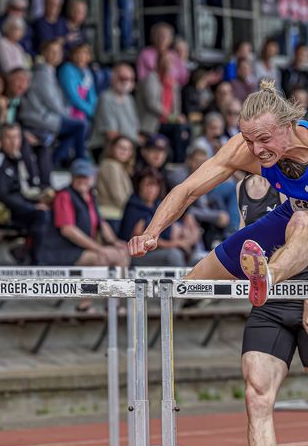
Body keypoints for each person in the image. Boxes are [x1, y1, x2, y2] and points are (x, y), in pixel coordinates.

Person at [128, 79, 308, 307]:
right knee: (191, 283)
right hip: (292, 210)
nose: (257, 150)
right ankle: (262, 279)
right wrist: (151, 233)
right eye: (249, 141)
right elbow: (187, 190)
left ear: (288, 125)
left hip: (302, 221)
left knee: (302, 222)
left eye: (264, 139)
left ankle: (267, 276)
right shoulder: (243, 150)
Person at [234, 173, 294, 446]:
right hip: (270, 301)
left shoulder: (296, 177)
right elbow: (245, 240)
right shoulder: (242, 188)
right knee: (256, 396)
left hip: (305, 290)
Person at [41, 158, 129, 279]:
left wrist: (114, 241)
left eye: (86, 177)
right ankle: (97, 297)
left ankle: (113, 297)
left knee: (122, 252)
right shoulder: (64, 195)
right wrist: (98, 248)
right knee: (103, 258)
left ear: (92, 178)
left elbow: (102, 223)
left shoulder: (90, 196)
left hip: (79, 250)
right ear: (72, 177)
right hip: (61, 251)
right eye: (79, 176)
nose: (82, 180)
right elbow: (68, 230)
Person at [0, 123, 48, 263]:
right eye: (9, 138)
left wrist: (37, 202)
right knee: (40, 215)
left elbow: (23, 190)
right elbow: (3, 196)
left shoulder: (18, 160)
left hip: (14, 209)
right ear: (0, 140)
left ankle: (26, 250)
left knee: (49, 211)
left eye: (16, 137)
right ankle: (37, 262)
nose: (13, 142)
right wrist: (32, 207)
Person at [121, 166, 199, 266]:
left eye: (155, 185)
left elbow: (174, 228)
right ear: (139, 186)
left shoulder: (158, 205)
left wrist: (186, 238)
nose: (151, 189)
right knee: (174, 255)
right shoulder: (134, 206)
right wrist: (175, 244)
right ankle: (181, 282)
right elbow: (138, 238)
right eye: (147, 185)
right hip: (137, 256)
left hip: (163, 250)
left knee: (197, 258)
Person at [91, 63, 139, 159]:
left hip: (128, 145)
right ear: (113, 78)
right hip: (106, 146)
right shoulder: (106, 98)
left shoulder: (129, 99)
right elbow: (111, 133)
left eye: (130, 79)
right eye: (122, 78)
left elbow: (135, 127)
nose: (126, 82)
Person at [96, 136, 135, 228]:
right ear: (112, 148)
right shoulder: (111, 165)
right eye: (121, 147)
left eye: (128, 149)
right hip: (112, 215)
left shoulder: (119, 166)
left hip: (115, 215)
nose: (124, 151)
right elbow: (118, 195)